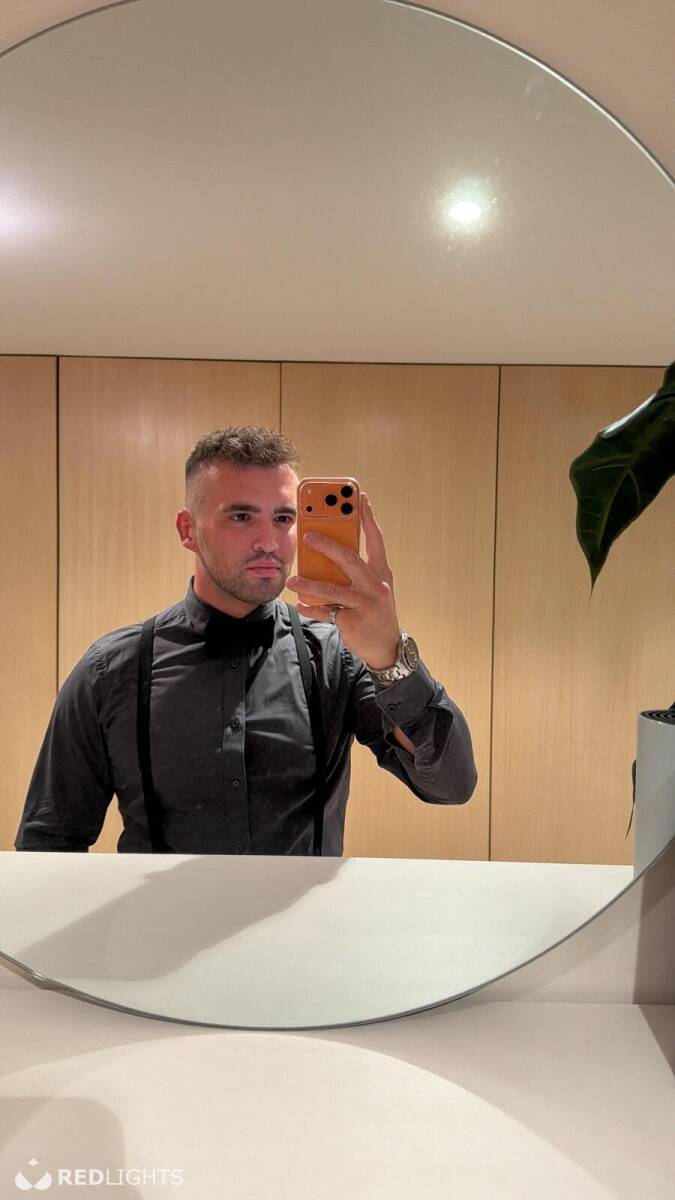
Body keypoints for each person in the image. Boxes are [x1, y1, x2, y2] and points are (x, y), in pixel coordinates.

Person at [15, 426, 476, 855]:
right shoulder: (110, 670)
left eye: (283, 518)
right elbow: (49, 843)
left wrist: (391, 658)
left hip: (307, 922)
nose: (269, 542)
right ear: (188, 530)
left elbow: (449, 785)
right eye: (241, 516)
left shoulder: (336, 658)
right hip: (161, 921)